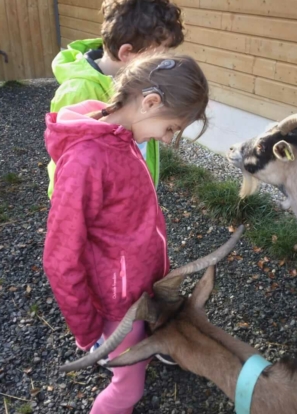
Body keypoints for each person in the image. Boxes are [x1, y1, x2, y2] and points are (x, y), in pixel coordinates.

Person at [43, 54, 209, 414]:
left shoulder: (121, 138)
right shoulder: (87, 160)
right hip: (120, 306)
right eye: (170, 129)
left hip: (138, 289)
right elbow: (60, 258)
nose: (167, 140)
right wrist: (88, 331)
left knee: (142, 350)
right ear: (149, 103)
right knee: (128, 390)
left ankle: (146, 351)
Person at [47, 0, 185, 199]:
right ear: (127, 53)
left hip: (129, 200)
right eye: (158, 59)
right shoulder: (79, 91)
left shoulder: (140, 84)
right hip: (98, 213)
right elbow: (68, 169)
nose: (162, 67)